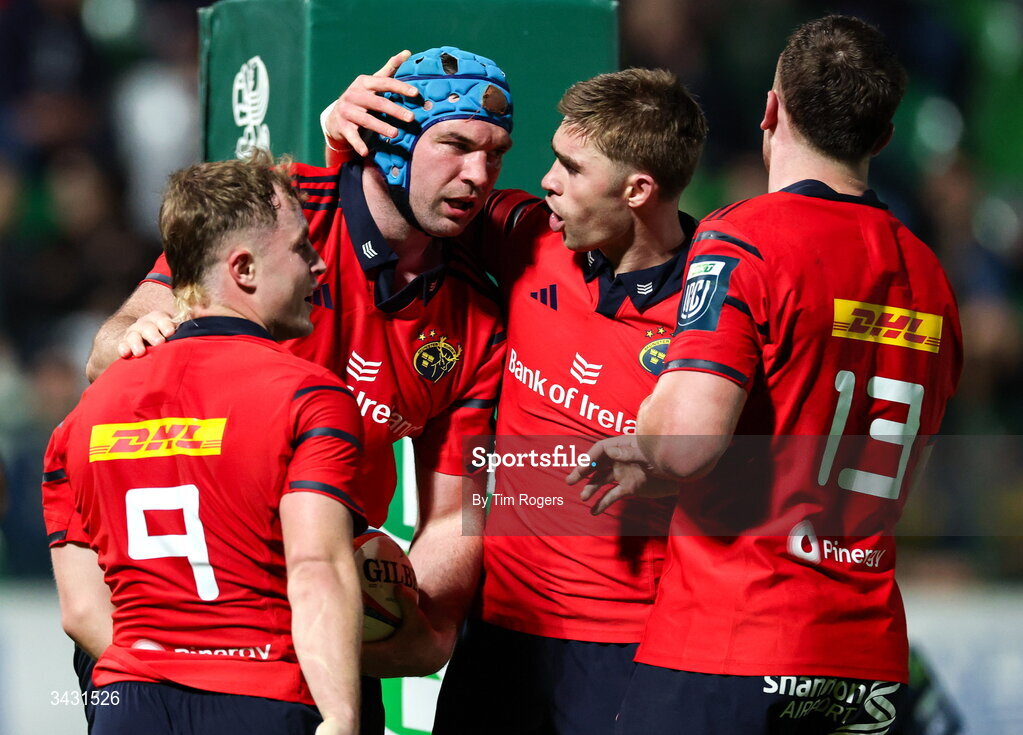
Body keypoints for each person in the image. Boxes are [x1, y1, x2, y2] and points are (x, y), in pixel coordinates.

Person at [83, 46, 511, 731]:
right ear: (392, 140)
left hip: (326, 613)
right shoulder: (280, 212)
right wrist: (128, 337)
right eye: (456, 145)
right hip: (179, 612)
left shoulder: (478, 319)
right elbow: (122, 337)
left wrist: (430, 622)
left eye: (495, 154)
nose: (479, 174)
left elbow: (452, 512)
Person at [570, 15, 963, 735]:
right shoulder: (932, 280)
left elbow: (686, 442)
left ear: (770, 111)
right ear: (879, 139)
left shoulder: (742, 237)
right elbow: (898, 463)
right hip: (862, 660)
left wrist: (646, 435)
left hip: (731, 642)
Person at [324, 64, 707, 733]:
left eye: (569, 167)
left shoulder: (715, 312)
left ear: (638, 188)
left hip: (629, 648)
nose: (545, 181)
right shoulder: (527, 233)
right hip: (498, 634)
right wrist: (339, 136)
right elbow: (404, 191)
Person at [42, 152, 365, 735]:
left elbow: (82, 611)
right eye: (300, 248)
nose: (318, 265)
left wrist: (165, 664)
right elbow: (316, 566)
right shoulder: (311, 396)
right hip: (264, 698)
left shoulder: (79, 422)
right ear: (243, 269)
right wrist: (342, 715)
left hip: (128, 707)